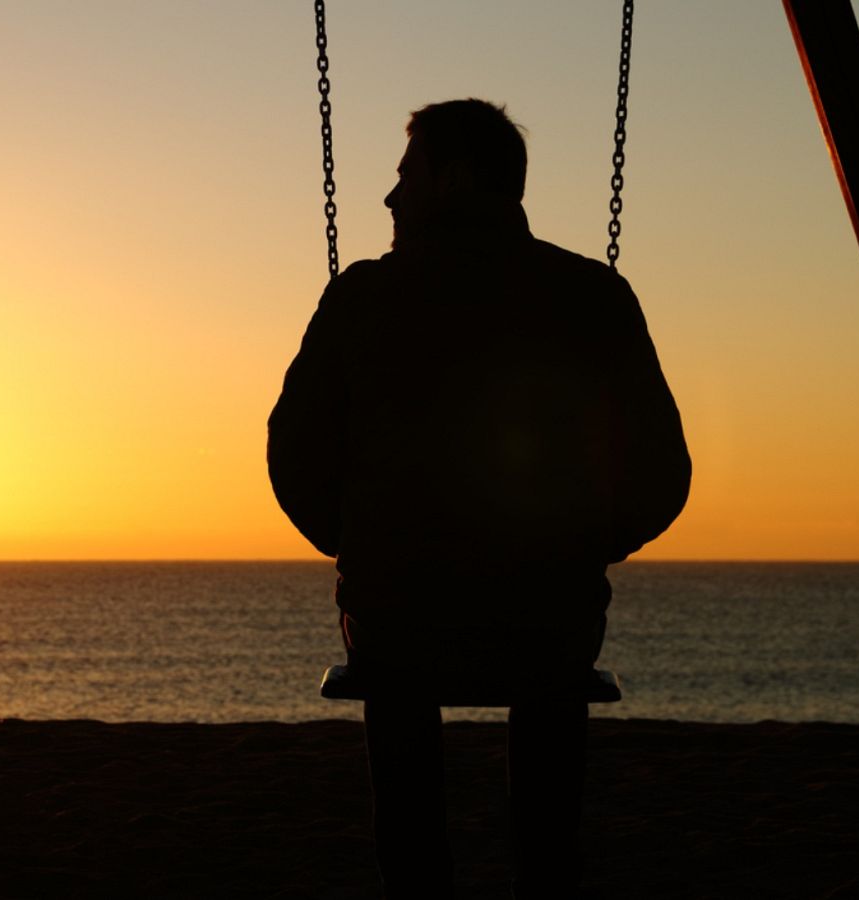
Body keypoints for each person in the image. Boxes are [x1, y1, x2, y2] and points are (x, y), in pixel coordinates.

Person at [267, 99, 690, 897]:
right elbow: (663, 474)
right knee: (552, 663)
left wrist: (357, 539)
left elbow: (293, 457)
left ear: (454, 179)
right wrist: (583, 542)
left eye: (405, 178)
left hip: (398, 615)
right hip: (547, 615)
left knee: (395, 664)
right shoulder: (593, 295)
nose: (390, 201)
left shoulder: (362, 299)